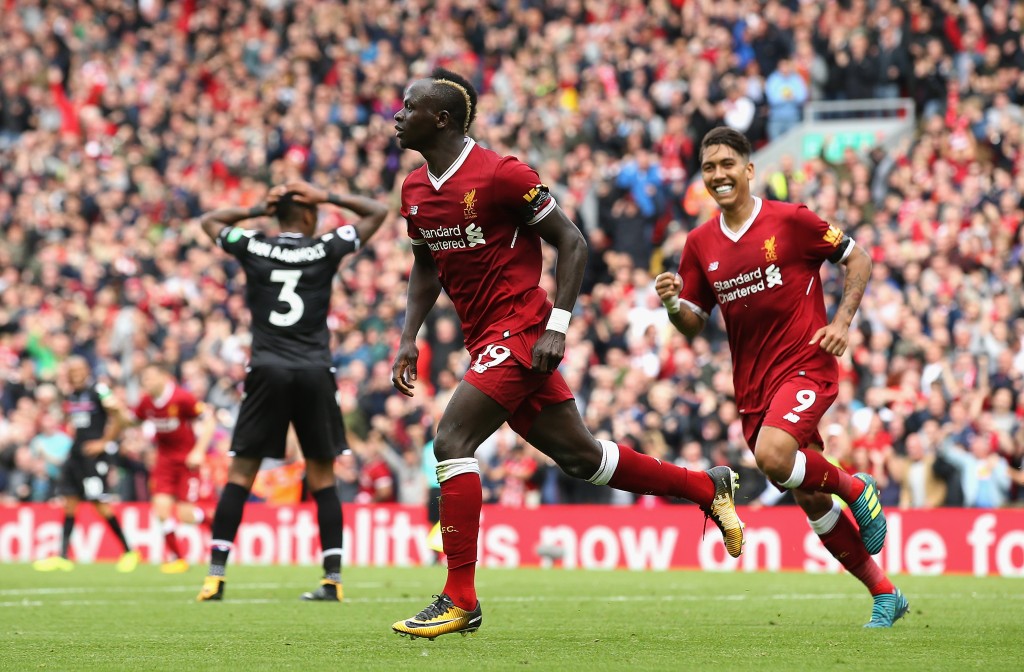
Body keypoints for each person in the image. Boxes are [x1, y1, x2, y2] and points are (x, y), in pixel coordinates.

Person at [389, 68, 744, 640]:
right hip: (485, 337)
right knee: (584, 459)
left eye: (408, 107)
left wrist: (558, 324)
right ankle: (709, 487)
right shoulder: (412, 188)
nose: (397, 116)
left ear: (441, 119)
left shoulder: (503, 176)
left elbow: (571, 240)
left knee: (451, 441)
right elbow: (426, 261)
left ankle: (460, 598)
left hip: (523, 329)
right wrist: (409, 335)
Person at [654, 126, 907, 628]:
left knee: (774, 457)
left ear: (750, 170)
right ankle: (884, 593)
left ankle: (857, 489)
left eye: (728, 164)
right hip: (753, 386)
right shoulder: (699, 243)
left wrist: (841, 322)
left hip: (806, 363)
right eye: (709, 167)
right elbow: (693, 323)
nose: (719, 175)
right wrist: (671, 304)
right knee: (810, 497)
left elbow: (858, 257)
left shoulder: (790, 221)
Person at [194, 181, 388, 602]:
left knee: (242, 473)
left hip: (266, 369)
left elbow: (209, 221)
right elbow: (377, 212)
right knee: (321, 476)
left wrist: (253, 212)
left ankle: (215, 576)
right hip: (314, 370)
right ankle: (332, 579)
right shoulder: (324, 247)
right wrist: (329, 195)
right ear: (306, 215)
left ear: (276, 215)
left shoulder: (254, 246)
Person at [33, 356, 141, 573]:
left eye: (80, 369)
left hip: (94, 456)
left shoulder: (98, 390)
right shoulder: (72, 395)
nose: (76, 373)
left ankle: (129, 552)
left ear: (87, 370)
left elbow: (119, 415)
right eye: (72, 370)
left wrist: (104, 442)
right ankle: (63, 556)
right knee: (70, 501)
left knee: (100, 504)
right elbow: (72, 420)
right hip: (76, 455)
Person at [129, 362, 216, 573]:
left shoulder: (182, 398)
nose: (146, 383)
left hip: (187, 462)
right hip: (164, 462)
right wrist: (117, 414)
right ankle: (178, 558)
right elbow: (132, 422)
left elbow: (209, 421)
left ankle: (215, 521)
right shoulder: (146, 402)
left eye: (150, 378)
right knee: (160, 510)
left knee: (186, 515)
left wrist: (199, 450)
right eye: (144, 379)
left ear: (164, 377)